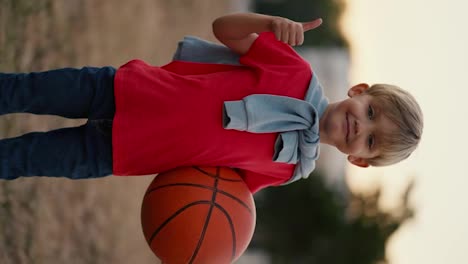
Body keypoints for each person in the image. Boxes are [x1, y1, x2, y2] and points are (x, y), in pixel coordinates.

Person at [0, 13, 423, 194]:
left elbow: (217, 191)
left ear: (359, 162)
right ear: (359, 91)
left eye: (370, 142)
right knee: (22, 91)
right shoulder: (296, 73)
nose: (359, 128)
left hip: (120, 153)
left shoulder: (289, 169)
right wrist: (268, 26)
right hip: (125, 89)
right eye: (371, 113)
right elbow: (225, 30)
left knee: (21, 158)